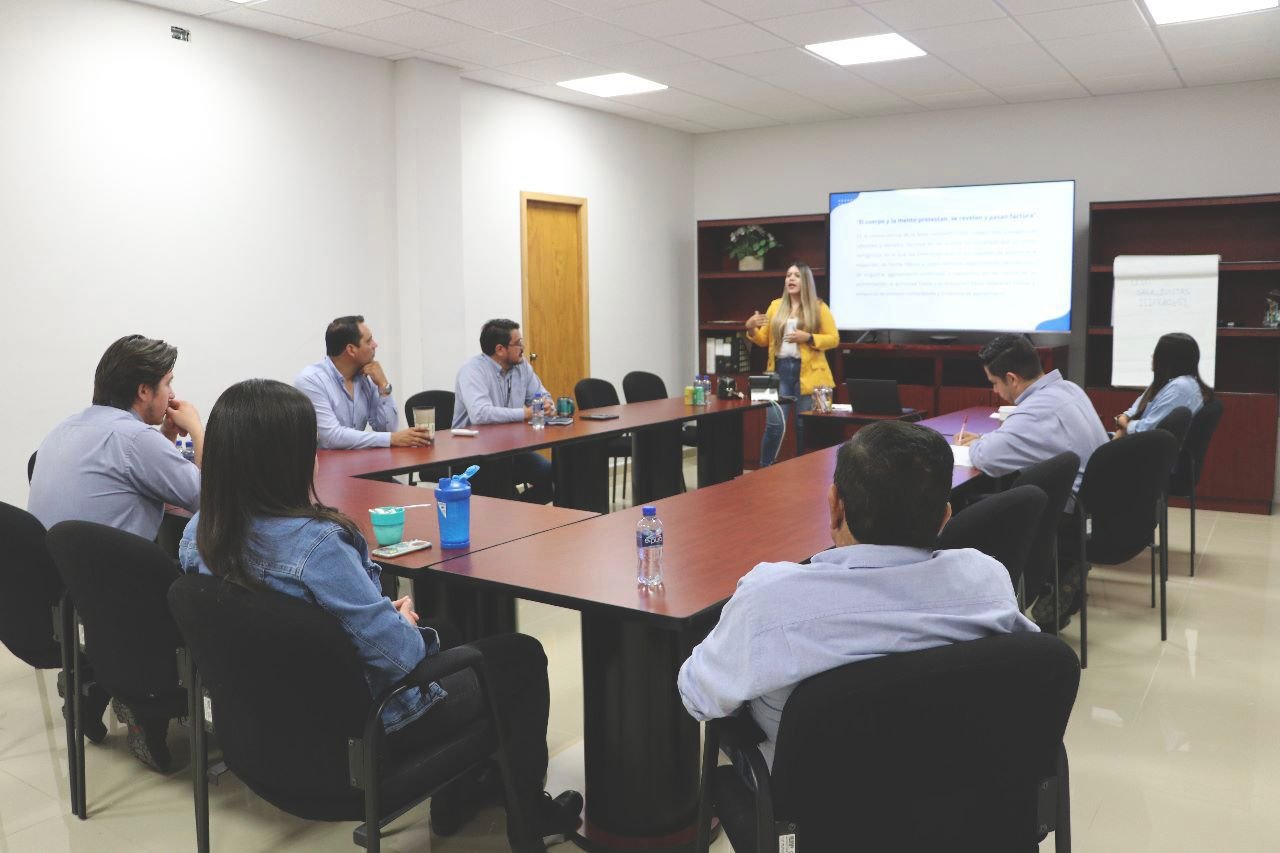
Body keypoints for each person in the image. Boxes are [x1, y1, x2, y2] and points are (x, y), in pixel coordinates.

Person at [178, 379, 582, 851]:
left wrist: (368, 618)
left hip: (266, 730)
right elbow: (402, 657)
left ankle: (459, 796)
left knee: (448, 630)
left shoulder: (199, 534)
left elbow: (282, 623)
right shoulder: (318, 545)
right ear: (290, 459)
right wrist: (400, 626)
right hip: (365, 732)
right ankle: (530, 817)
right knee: (521, 655)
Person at [677, 421, 1036, 768]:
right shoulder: (987, 580)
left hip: (811, 800)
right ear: (945, 518)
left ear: (835, 506)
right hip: (957, 787)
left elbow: (698, 696)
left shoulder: (768, 599)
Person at [28, 333, 203, 764]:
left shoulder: (65, 427)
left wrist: (160, 442)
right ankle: (144, 707)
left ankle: (91, 681)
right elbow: (205, 498)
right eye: (167, 383)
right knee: (193, 579)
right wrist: (198, 429)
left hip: (63, 592)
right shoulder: (134, 440)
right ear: (144, 391)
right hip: (119, 598)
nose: (172, 394)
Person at [954, 334, 1108, 631]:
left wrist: (978, 444)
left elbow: (986, 459)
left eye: (994, 383)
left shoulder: (1034, 411)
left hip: (1067, 511)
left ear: (1012, 378)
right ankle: (1058, 573)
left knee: (967, 511)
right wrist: (989, 439)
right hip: (1093, 502)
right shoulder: (1068, 389)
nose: (995, 391)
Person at [744, 262, 838, 466]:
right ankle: (765, 469)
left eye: (796, 275)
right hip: (776, 371)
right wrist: (750, 328)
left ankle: (804, 470)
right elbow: (763, 340)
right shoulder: (775, 306)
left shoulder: (819, 307)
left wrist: (809, 337)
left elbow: (833, 339)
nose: (791, 279)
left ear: (806, 281)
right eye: (788, 275)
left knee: (803, 425)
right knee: (773, 425)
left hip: (808, 373)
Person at [453, 319, 555, 504]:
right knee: (502, 490)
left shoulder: (522, 367)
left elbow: (542, 395)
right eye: (518, 343)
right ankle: (511, 511)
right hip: (475, 454)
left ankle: (519, 510)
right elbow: (480, 414)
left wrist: (547, 405)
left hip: (511, 449)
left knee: (554, 478)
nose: (523, 348)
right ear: (500, 349)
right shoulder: (473, 371)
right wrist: (526, 413)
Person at [294, 315, 431, 449]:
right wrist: (390, 439)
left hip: (360, 460)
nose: (375, 345)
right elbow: (332, 437)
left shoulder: (366, 377)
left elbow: (387, 429)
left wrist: (383, 386)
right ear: (351, 350)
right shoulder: (311, 380)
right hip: (325, 463)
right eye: (369, 341)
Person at [1112, 332, 1213, 438]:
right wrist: (1125, 418)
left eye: (1157, 353)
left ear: (1168, 360)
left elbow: (1146, 430)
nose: (1152, 356)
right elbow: (1136, 409)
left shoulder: (1180, 388)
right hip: (1134, 438)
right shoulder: (1168, 382)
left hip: (1144, 444)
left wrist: (1124, 425)